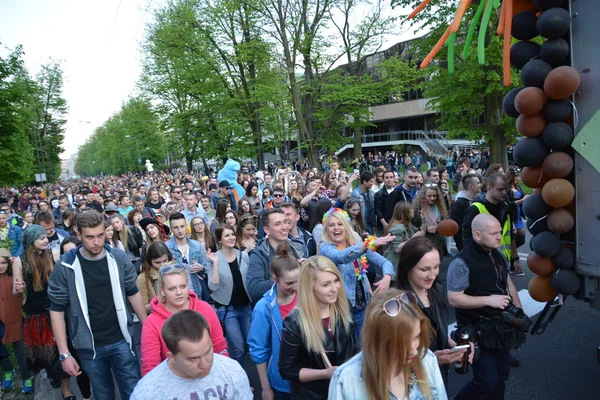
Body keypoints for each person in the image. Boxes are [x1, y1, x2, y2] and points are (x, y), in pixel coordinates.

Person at [48, 210, 147, 400]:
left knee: (134, 392)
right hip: (89, 347)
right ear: (77, 234)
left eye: (101, 235)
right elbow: (56, 310)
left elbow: (133, 293)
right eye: (90, 237)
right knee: (103, 395)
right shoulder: (65, 267)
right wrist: (64, 354)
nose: (97, 242)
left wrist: (149, 328)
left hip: (122, 340)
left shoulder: (118, 257)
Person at [449, 214, 527, 400]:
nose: (499, 237)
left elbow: (508, 283)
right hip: (475, 330)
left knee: (501, 376)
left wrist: (520, 313)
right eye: (493, 233)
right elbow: (454, 298)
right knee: (486, 382)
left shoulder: (497, 254)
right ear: (477, 235)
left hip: (500, 329)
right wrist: (488, 300)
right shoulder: (461, 261)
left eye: (499, 232)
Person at [328, 290, 447, 400]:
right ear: (378, 340)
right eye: (401, 343)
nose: (414, 351)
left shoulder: (427, 359)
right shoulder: (346, 380)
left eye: (416, 337)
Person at [278, 256, 357, 400]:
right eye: (326, 284)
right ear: (310, 287)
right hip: (312, 395)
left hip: (345, 391)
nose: (334, 289)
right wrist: (324, 373)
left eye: (336, 280)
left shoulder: (344, 309)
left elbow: (353, 348)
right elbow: (286, 370)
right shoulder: (295, 323)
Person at [396, 237, 473, 384]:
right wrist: (430, 359)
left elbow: (438, 332)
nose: (432, 275)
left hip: (437, 377)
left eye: (436, 267)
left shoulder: (436, 290)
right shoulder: (396, 305)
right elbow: (388, 356)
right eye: (424, 269)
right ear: (407, 267)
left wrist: (455, 346)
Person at [131, 310, 252, 399]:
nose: (205, 364)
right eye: (193, 358)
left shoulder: (232, 370)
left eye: (208, 351)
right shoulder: (146, 393)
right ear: (172, 356)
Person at [12, 225, 73, 397]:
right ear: (31, 241)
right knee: (44, 352)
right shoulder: (19, 261)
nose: (46, 240)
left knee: (60, 348)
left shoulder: (52, 254)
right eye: (41, 238)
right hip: (34, 312)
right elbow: (16, 293)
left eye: (45, 237)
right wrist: (18, 289)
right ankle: (52, 373)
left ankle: (66, 389)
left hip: (54, 308)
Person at [318, 208, 395, 338]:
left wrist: (387, 277)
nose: (336, 228)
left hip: (362, 308)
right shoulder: (325, 247)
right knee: (346, 352)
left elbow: (385, 263)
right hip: (340, 311)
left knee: (364, 347)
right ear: (326, 229)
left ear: (346, 226)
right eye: (331, 225)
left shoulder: (355, 244)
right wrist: (367, 245)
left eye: (340, 224)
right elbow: (341, 257)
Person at [140, 263, 228, 376]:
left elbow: (219, 347)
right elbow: (150, 366)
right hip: (173, 382)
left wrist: (223, 375)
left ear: (188, 285)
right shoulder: (151, 323)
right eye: (172, 288)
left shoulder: (205, 308)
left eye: (183, 286)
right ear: (162, 291)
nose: (179, 292)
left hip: (210, 374)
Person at [248, 243, 300, 400]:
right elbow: (259, 351)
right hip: (282, 384)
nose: (295, 286)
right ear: (275, 279)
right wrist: (265, 388)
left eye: (298, 280)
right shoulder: (263, 308)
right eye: (289, 283)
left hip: (309, 379)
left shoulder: (306, 297)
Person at [205, 224, 252, 366]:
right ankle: (238, 381)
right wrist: (216, 264)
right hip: (228, 309)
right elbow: (213, 286)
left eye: (232, 234)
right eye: (227, 235)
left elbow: (249, 280)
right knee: (237, 348)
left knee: (251, 343)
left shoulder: (243, 255)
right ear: (219, 240)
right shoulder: (213, 259)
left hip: (246, 307)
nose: (231, 237)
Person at [461, 173, 523, 275]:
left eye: (506, 189)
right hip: (482, 262)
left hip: (502, 261)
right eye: (500, 189)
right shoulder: (476, 209)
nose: (504, 192)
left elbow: (510, 236)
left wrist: (515, 258)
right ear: (489, 188)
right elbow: (466, 238)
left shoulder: (505, 206)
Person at [247, 208, 298, 304]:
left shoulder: (295, 247)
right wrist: (283, 279)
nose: (284, 227)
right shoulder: (259, 254)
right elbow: (254, 289)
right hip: (273, 310)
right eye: (278, 224)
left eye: (285, 222)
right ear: (267, 230)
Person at [0, 248, 30, 393]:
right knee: (1, 352)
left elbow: (23, 300)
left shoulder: (16, 277)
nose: (0, 266)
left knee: (21, 352)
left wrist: (21, 291)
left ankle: (26, 376)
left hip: (16, 319)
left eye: (3, 263)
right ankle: (8, 371)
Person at [166, 213, 209, 301]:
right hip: (177, 295)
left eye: (182, 226)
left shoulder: (196, 245)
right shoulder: (166, 247)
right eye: (176, 227)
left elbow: (206, 267)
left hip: (196, 292)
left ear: (186, 226)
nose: (180, 230)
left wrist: (201, 268)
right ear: (171, 229)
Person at [383, 201, 423, 268]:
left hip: (401, 261)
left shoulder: (407, 224)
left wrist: (424, 220)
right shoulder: (398, 227)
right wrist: (413, 238)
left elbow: (421, 233)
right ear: (405, 212)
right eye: (411, 209)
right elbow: (397, 248)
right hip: (395, 263)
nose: (413, 210)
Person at [136, 242, 173, 313]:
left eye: (165, 261)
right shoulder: (143, 278)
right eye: (157, 263)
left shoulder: (176, 270)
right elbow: (143, 308)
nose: (162, 265)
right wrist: (161, 301)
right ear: (150, 261)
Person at [412, 185, 450, 255]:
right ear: (424, 195)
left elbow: (446, 220)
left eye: (434, 196)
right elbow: (412, 226)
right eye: (429, 196)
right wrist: (426, 228)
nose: (432, 198)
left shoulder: (440, 206)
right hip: (424, 241)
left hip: (439, 241)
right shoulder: (418, 208)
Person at [451, 174, 482, 251]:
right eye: (478, 183)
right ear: (471, 187)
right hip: (466, 245)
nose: (480, 185)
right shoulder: (459, 204)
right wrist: (463, 246)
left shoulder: (478, 201)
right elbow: (457, 228)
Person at [506, 166, 528, 277]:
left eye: (518, 176)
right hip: (512, 217)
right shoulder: (507, 189)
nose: (516, 178)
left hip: (519, 216)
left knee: (522, 239)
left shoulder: (518, 187)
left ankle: (509, 257)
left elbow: (523, 196)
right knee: (513, 240)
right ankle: (513, 263)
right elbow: (508, 204)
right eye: (515, 176)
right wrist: (521, 200)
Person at [373, 170, 395, 235]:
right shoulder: (378, 194)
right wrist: (384, 224)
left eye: (391, 177)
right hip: (383, 224)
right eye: (387, 177)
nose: (389, 179)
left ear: (394, 179)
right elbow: (377, 210)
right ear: (383, 179)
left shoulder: (398, 192)